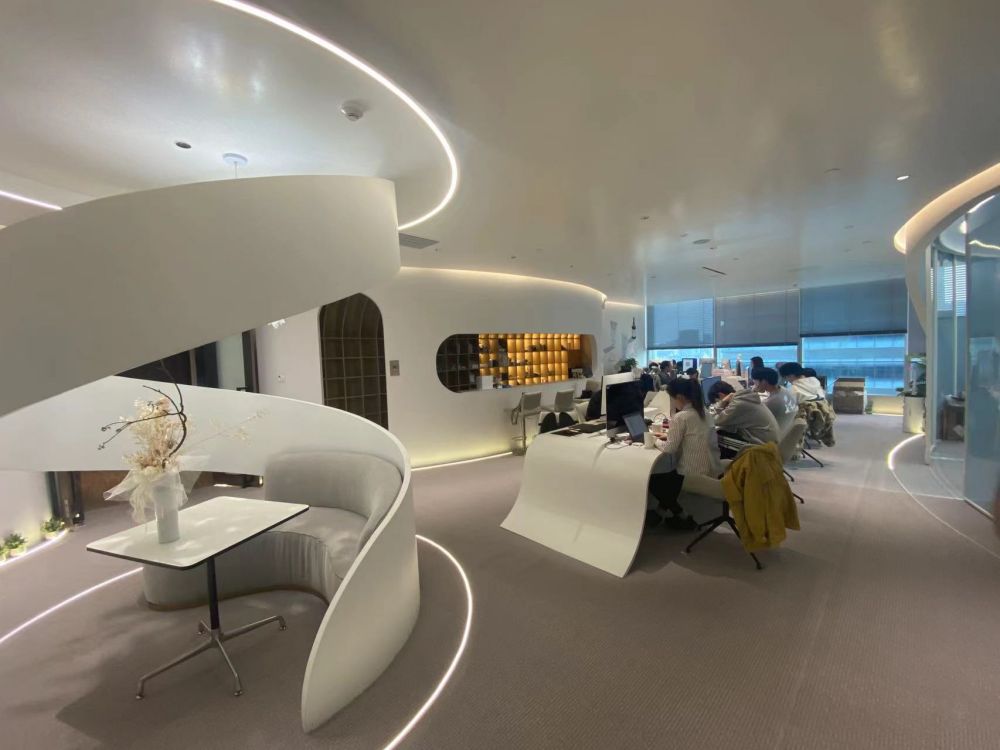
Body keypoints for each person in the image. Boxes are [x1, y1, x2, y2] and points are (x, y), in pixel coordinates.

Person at [647, 378, 722, 530]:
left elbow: (669, 449)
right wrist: (669, 436)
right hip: (711, 466)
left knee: (654, 480)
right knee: (669, 478)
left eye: (672, 399)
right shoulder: (704, 413)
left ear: (680, 397)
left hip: (692, 473)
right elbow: (692, 435)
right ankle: (661, 512)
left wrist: (653, 440)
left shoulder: (681, 417)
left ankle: (683, 516)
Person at [707, 380, 780, 445]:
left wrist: (721, 404)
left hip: (765, 444)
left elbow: (713, 421)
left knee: (717, 435)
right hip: (770, 438)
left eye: (717, 401)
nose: (718, 403)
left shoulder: (737, 404)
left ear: (721, 395)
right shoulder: (743, 397)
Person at [751, 366, 798, 434]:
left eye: (755, 383)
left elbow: (754, 419)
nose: (755, 386)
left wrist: (752, 393)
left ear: (764, 381)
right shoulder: (783, 390)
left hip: (775, 435)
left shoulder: (773, 401)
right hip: (787, 429)